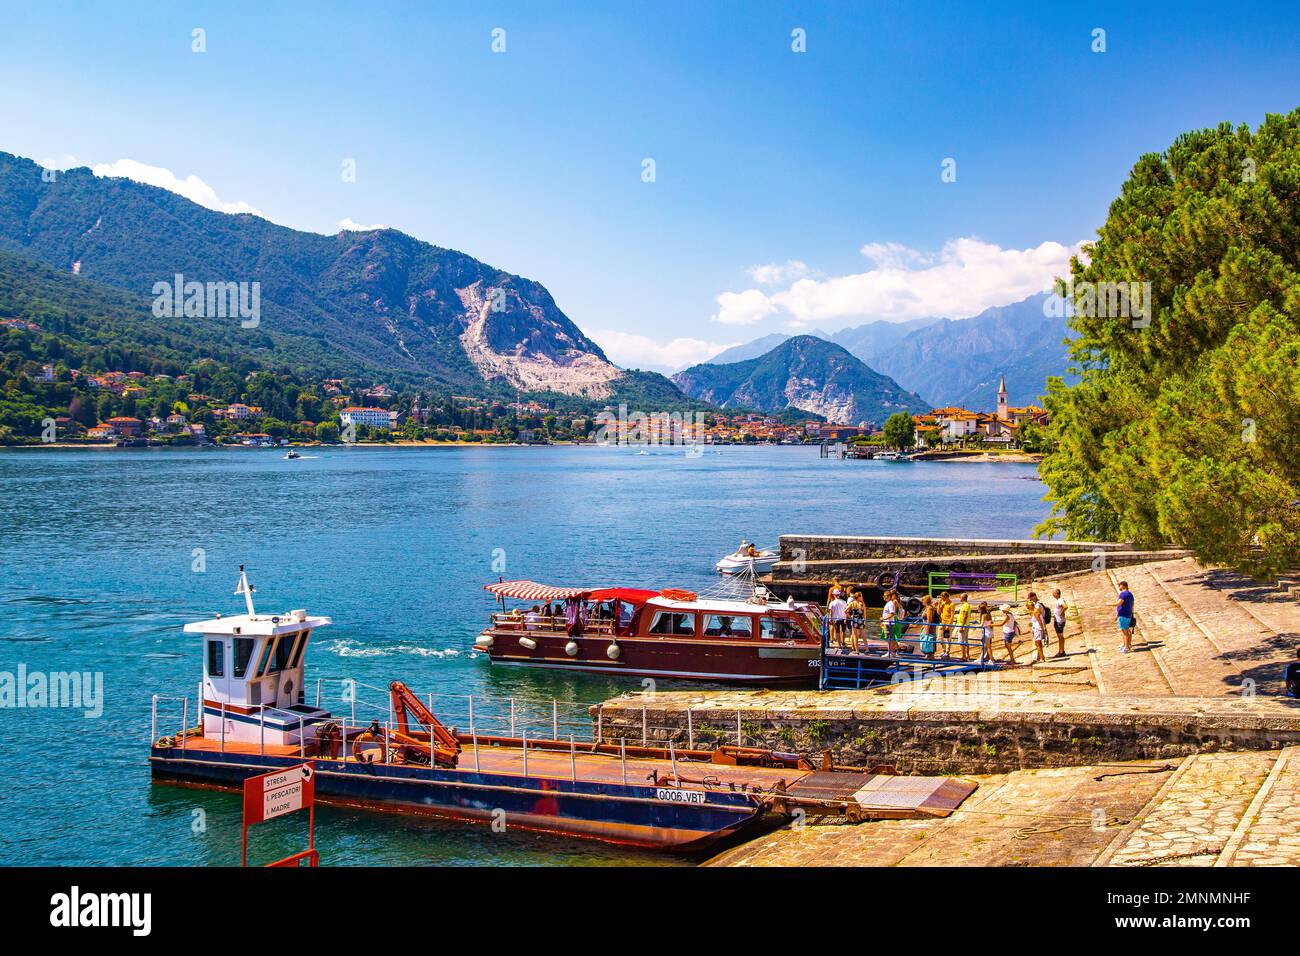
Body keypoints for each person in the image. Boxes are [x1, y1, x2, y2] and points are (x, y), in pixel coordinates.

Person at [1116, 580, 1136, 653]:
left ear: (1123, 586)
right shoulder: (1130, 594)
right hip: (1128, 614)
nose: (1119, 587)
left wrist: (1109, 604)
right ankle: (1127, 644)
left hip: (1123, 614)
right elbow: (1132, 604)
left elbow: (1119, 604)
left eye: (1120, 585)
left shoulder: (1123, 594)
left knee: (1125, 632)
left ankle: (1126, 647)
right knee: (1127, 631)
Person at [1026, 592, 1047, 663]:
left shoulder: (1035, 611)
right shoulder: (1035, 611)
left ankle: (1042, 658)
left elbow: (1039, 621)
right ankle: (1040, 657)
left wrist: (1043, 629)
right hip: (1037, 628)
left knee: (1038, 643)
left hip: (1038, 628)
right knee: (1038, 643)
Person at [954, 593, 973, 662]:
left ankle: (964, 656)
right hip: (964, 624)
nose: (960, 599)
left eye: (960, 597)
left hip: (963, 625)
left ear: (962, 598)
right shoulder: (966, 605)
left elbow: (965, 616)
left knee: (962, 641)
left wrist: (962, 626)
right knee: (965, 641)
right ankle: (967, 655)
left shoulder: (965, 605)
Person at [1051, 588, 1069, 658]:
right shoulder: (1059, 600)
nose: (1053, 594)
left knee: (1060, 636)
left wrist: (1061, 613)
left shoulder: (1060, 600)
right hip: (1058, 620)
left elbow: (1065, 606)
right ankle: (1061, 650)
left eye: (1053, 593)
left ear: (1056, 594)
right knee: (1060, 636)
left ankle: (1061, 651)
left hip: (1059, 621)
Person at [936, 591, 955, 658]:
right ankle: (944, 650)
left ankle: (947, 652)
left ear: (945, 597)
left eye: (942, 597)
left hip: (948, 623)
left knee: (947, 638)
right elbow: (938, 612)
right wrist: (939, 604)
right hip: (942, 622)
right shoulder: (943, 603)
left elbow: (952, 615)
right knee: (939, 638)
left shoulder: (952, 604)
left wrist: (949, 624)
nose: (941, 598)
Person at [881, 589, 899, 655]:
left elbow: (892, 613)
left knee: (889, 638)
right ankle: (891, 651)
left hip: (889, 623)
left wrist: (884, 618)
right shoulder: (888, 603)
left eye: (884, 596)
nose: (883, 597)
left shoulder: (890, 604)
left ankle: (890, 652)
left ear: (888, 596)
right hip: (887, 623)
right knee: (889, 637)